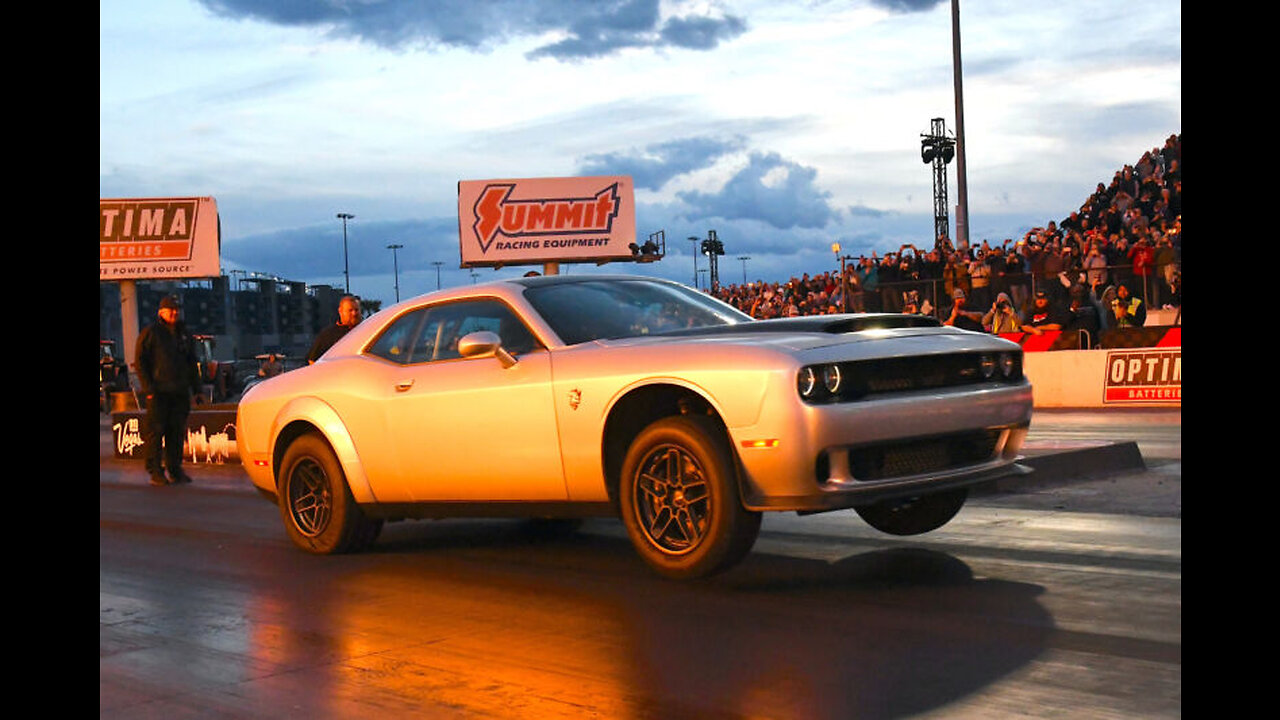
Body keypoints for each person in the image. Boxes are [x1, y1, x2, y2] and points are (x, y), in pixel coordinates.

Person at [134, 295, 202, 487]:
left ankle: (175, 469)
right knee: (155, 433)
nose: (174, 313)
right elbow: (140, 361)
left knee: (176, 433)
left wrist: (197, 389)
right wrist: (148, 389)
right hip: (158, 392)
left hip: (179, 392)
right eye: (170, 309)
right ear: (161, 312)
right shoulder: (151, 332)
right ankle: (155, 471)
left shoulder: (184, 334)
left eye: (176, 309)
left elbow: (191, 362)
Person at [307, 295, 362, 364]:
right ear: (340, 311)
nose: (354, 313)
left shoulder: (366, 331)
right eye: (350, 310)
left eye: (356, 310)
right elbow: (312, 360)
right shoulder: (328, 335)